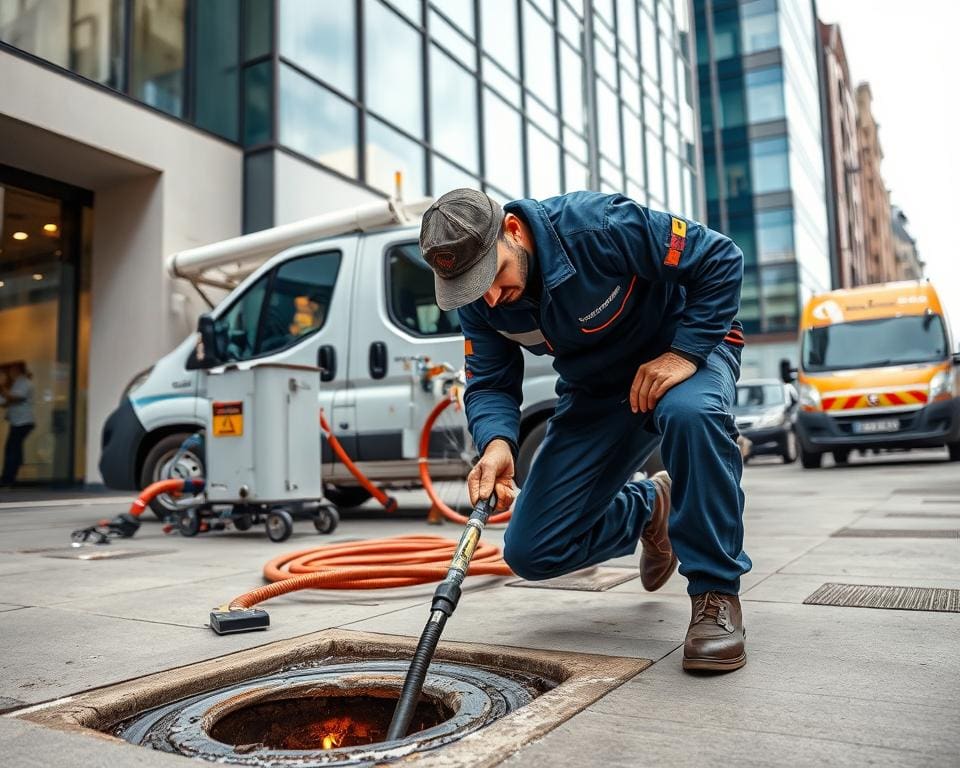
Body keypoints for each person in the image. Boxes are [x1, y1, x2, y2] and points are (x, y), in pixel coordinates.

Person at [419, 189, 751, 673]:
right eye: (471, 288)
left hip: (686, 350)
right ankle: (649, 508)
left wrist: (684, 352)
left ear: (512, 231)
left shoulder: (598, 226)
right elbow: (490, 381)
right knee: (532, 550)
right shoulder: (480, 300)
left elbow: (720, 257)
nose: (489, 297)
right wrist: (495, 443)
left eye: (492, 277)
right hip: (598, 388)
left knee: (691, 414)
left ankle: (715, 596)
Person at [0, 361, 36, 487]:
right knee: (13, 449)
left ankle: (8, 479)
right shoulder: (16, 383)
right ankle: (11, 475)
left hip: (23, 422)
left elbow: (15, 398)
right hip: (17, 422)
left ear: (17, 370)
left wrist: (2, 388)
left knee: (11, 450)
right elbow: (5, 402)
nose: (9, 372)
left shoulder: (24, 382)